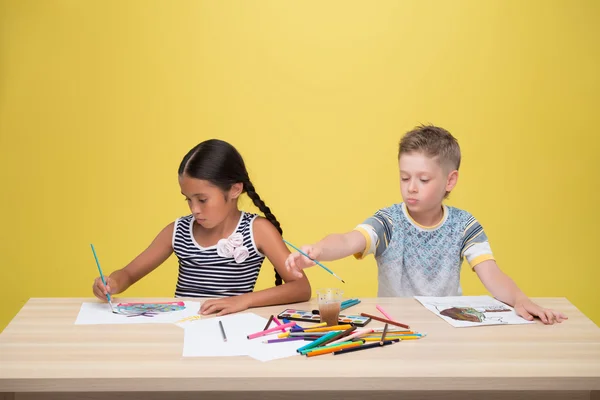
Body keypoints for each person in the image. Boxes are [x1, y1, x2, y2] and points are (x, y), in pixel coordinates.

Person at [285, 125, 566, 324]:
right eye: (405, 178)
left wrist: (519, 299)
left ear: (450, 181)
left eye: (423, 179)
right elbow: (348, 240)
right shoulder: (389, 221)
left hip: (447, 325)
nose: (412, 188)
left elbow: (491, 274)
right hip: (395, 325)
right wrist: (318, 250)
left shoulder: (465, 225)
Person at [93, 139, 311, 315]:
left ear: (235, 190)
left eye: (202, 199)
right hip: (184, 328)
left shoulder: (258, 230)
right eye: (188, 199)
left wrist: (243, 301)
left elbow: (301, 288)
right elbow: (129, 273)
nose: (194, 209)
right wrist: (112, 283)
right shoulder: (177, 231)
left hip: (230, 329)